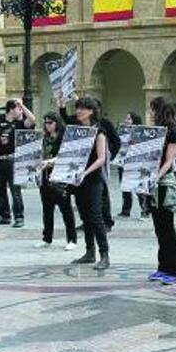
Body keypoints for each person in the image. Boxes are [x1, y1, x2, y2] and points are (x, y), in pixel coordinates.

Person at [54, 96, 110, 269]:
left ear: (91, 111)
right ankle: (89, 252)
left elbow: (101, 159)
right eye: (77, 108)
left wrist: (84, 172)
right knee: (85, 217)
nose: (78, 111)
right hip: (78, 181)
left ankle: (104, 255)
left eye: (82, 109)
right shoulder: (76, 131)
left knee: (95, 217)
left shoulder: (99, 132)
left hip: (93, 179)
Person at [145, 97, 176, 285]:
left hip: (164, 184)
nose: (150, 113)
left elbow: (169, 160)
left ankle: (174, 270)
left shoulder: (173, 132)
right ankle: (162, 267)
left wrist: (156, 176)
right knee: (159, 228)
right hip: (151, 185)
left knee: (167, 228)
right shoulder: (154, 132)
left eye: (152, 109)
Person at [0, 98, 35, 227]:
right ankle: (4, 216)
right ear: (11, 109)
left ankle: (19, 217)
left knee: (15, 190)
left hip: (12, 160)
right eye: (18, 108)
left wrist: (22, 105)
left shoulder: (19, 123)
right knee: (0, 189)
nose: (20, 111)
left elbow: (32, 119)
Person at [35, 112, 78, 251]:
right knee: (47, 209)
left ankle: (72, 239)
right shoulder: (45, 139)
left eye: (50, 123)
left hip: (60, 178)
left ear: (57, 123)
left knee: (66, 209)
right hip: (45, 177)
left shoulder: (64, 139)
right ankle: (47, 238)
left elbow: (65, 156)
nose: (47, 126)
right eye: (46, 123)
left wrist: (50, 162)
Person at [118, 111, 148, 219]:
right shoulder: (122, 132)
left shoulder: (142, 133)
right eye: (126, 119)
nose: (126, 121)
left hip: (136, 164)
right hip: (123, 163)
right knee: (125, 187)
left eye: (129, 119)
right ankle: (126, 210)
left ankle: (145, 210)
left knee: (139, 187)